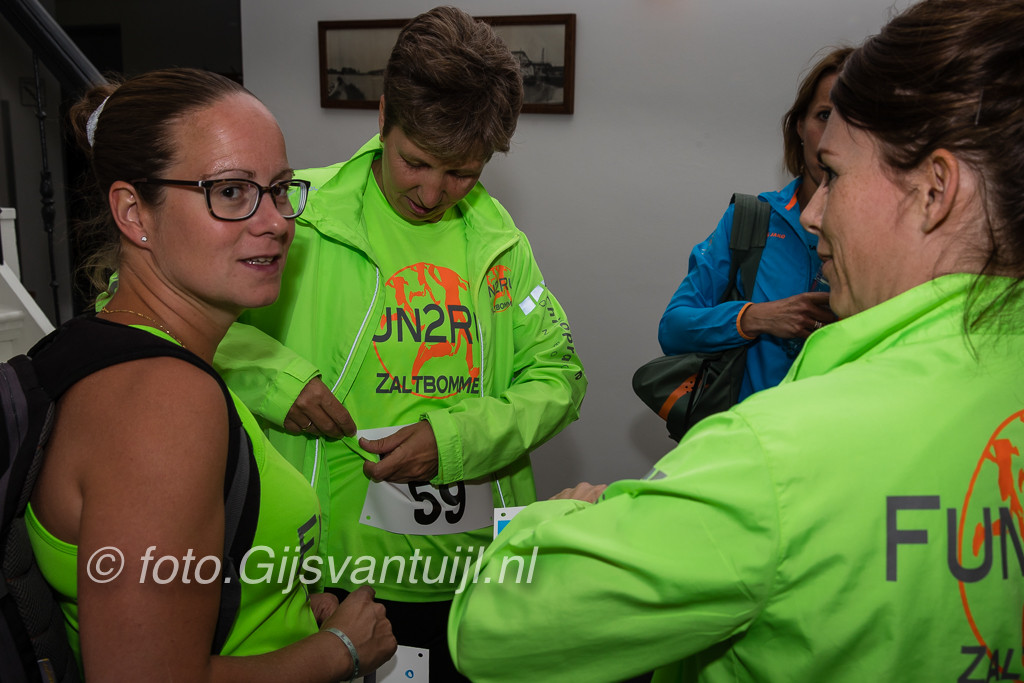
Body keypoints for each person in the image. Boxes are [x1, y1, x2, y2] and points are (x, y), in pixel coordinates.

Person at [449, 0, 1024, 680]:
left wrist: (550, 525)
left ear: (935, 190)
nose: (814, 211)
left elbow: (490, 630)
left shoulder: (776, 457)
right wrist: (755, 318)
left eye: (837, 175)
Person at [214, 7, 586, 680]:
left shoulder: (500, 243)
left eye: (463, 172)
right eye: (416, 161)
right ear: (384, 115)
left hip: (475, 575)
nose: (432, 192)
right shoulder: (296, 213)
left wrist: (453, 441)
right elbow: (148, 306)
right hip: (329, 575)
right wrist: (274, 377)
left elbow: (559, 377)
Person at [27, 68, 395, 680]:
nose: (276, 221)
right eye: (230, 191)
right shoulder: (163, 400)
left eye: (280, 189)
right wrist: (341, 649)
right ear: (133, 213)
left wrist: (277, 603)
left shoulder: (117, 348)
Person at [658, 47, 850, 400]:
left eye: (852, 118)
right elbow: (673, 329)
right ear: (799, 127)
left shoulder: (890, 235)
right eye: (824, 115)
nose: (833, 135)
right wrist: (755, 317)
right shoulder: (752, 219)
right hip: (749, 427)